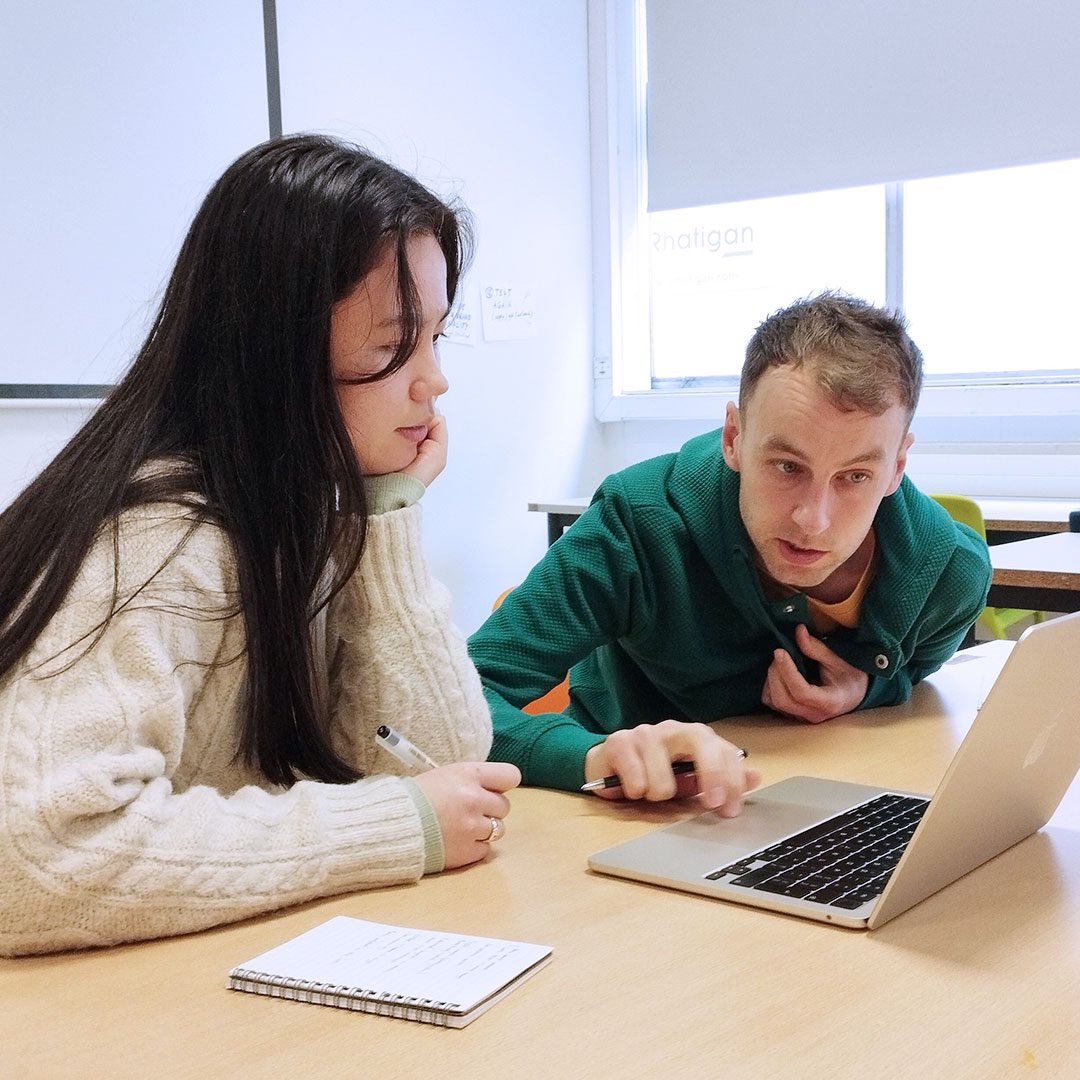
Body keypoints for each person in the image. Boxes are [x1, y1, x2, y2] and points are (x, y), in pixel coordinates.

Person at [0, 133, 520, 957]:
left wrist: (386, 514)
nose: (434, 381)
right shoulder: (158, 540)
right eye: (392, 346)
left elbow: (441, 763)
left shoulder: (308, 510)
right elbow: (36, 861)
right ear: (275, 350)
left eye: (436, 339)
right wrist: (392, 826)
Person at [468, 292, 990, 814]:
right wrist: (592, 755)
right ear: (734, 437)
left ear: (897, 467)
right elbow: (447, 704)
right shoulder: (634, 523)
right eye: (787, 466)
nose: (814, 519)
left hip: (829, 804)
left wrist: (868, 690)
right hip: (638, 823)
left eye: (855, 477)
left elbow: (912, 677)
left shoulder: (949, 576)